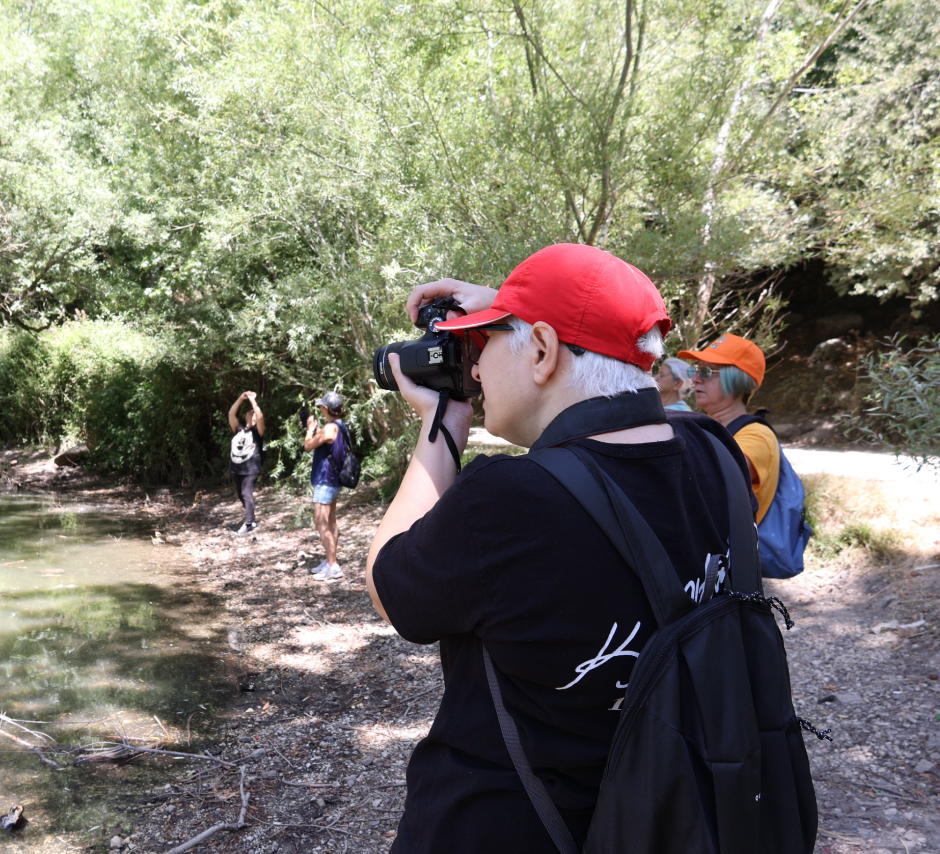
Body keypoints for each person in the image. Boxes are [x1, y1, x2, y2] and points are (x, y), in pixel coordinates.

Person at [364, 244, 759, 853]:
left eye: (489, 343)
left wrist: (441, 429)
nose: (473, 369)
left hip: (513, 830)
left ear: (543, 352)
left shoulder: (509, 502)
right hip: (679, 815)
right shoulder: (713, 453)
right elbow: (607, 366)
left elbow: (390, 587)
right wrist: (514, 312)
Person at [678, 334, 776, 523]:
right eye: (696, 370)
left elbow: (711, 478)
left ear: (737, 380)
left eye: (707, 372)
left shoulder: (758, 435)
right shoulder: (708, 426)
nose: (696, 379)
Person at [304, 391, 347, 581]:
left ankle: (333, 566)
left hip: (325, 481)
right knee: (330, 522)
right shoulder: (340, 425)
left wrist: (310, 428)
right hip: (334, 480)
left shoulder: (329, 428)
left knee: (321, 523)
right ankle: (330, 560)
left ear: (326, 409)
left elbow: (308, 445)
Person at [227, 390, 265, 535]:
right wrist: (241, 398)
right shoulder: (239, 428)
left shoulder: (257, 431)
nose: (250, 413)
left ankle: (249, 523)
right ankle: (252, 520)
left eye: (252, 413)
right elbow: (231, 414)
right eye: (248, 412)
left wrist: (253, 401)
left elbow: (260, 417)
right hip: (237, 467)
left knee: (246, 493)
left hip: (251, 468)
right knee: (240, 495)